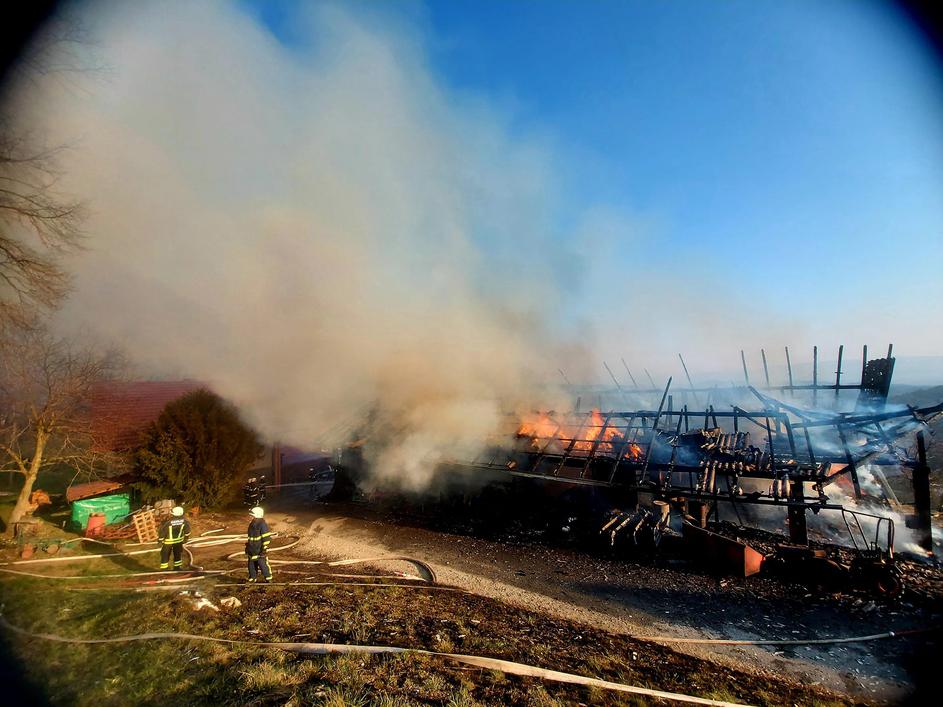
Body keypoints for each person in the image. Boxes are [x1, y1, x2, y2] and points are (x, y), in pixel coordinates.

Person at [246, 506, 274, 583]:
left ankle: (268, 578)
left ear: (257, 515)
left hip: (259, 549)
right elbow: (250, 537)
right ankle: (252, 578)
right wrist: (248, 547)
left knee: (263, 564)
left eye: (252, 515)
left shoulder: (262, 524)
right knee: (251, 564)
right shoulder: (252, 524)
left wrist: (264, 548)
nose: (250, 517)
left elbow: (266, 538)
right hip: (252, 549)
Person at [158, 506, 191, 570]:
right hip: (178, 541)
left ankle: (164, 568)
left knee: (165, 554)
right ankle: (177, 567)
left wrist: (160, 540)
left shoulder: (168, 522)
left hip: (168, 542)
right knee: (177, 554)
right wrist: (186, 538)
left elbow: (163, 531)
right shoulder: (185, 521)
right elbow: (187, 531)